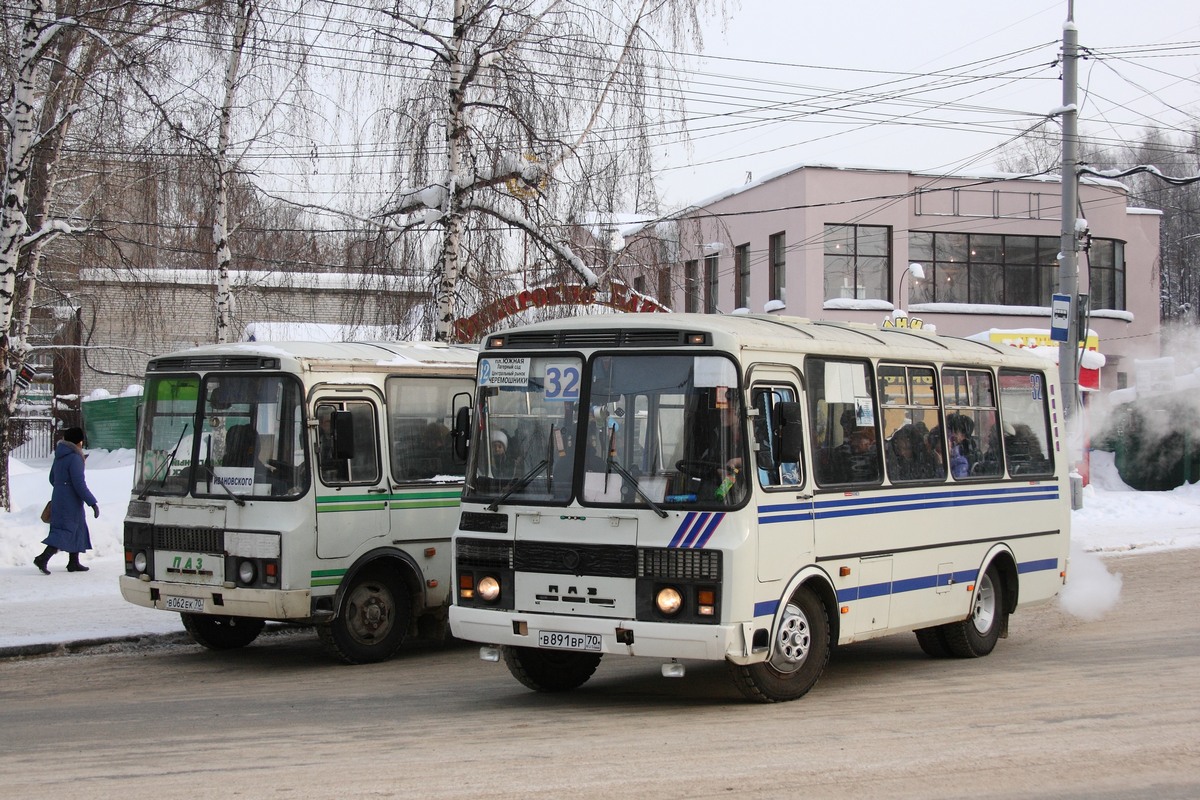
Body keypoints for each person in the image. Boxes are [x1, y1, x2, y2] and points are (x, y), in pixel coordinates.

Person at [33, 427, 99, 575]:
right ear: (79, 441)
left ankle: (73, 562)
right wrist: (92, 502)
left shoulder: (60, 455)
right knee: (65, 530)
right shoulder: (75, 457)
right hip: (70, 500)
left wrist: (62, 487)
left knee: (77, 527)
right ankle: (42, 558)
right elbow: (79, 484)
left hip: (59, 497)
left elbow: (52, 478)